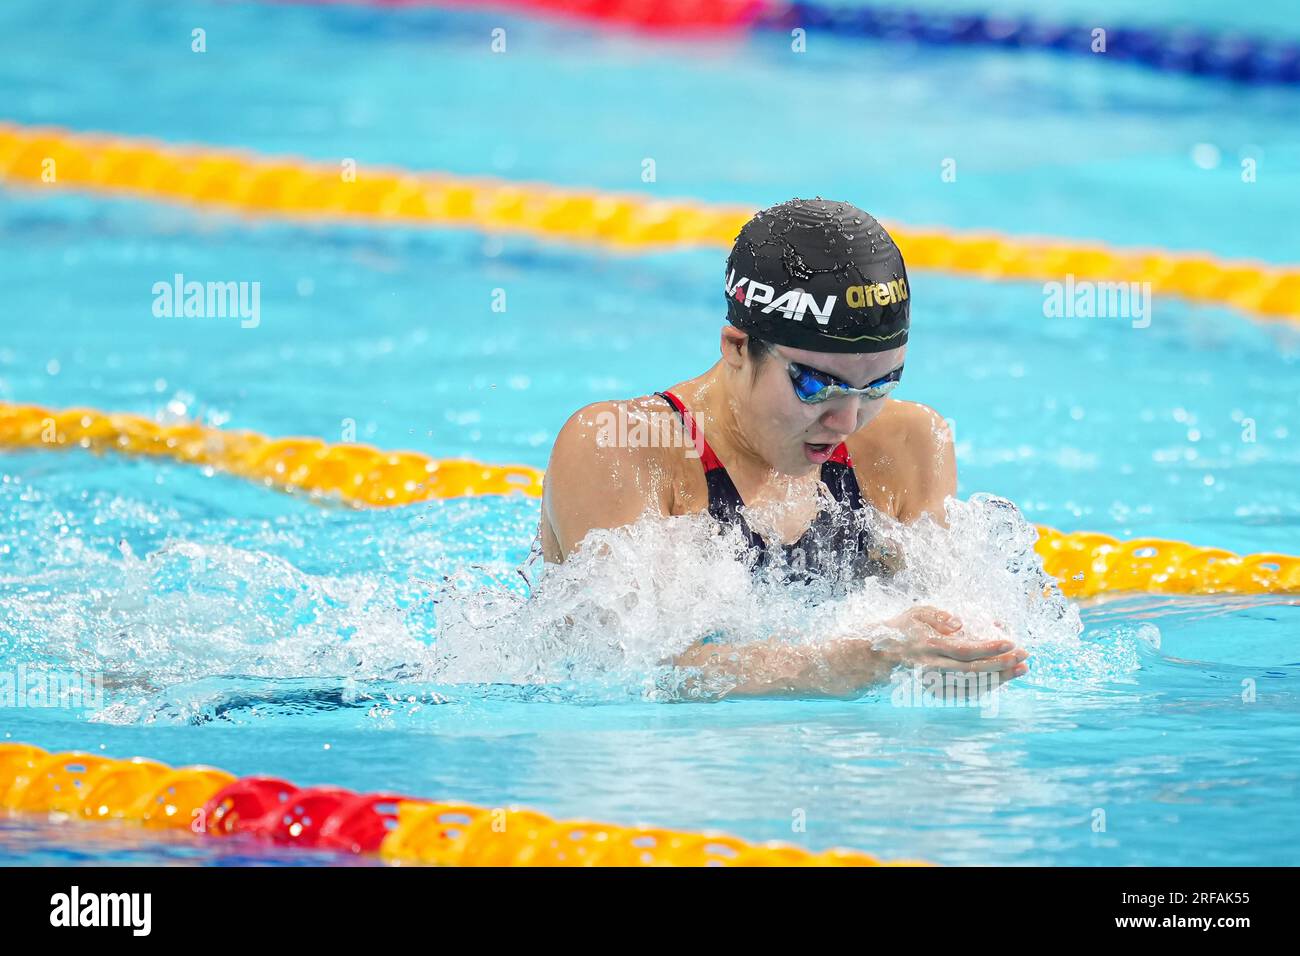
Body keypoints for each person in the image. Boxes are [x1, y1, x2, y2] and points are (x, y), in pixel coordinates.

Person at [538, 198, 1029, 699]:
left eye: (880, 386)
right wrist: (848, 662)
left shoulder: (908, 446)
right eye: (818, 386)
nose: (847, 420)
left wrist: (962, 653)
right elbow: (636, 672)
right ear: (735, 348)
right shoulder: (619, 446)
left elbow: (940, 625)